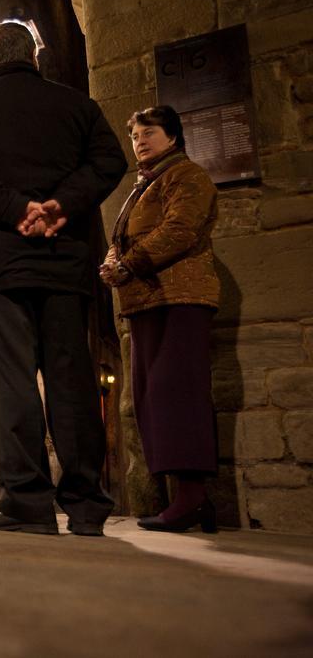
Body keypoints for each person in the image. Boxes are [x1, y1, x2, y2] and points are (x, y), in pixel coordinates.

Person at [0, 20, 127, 536]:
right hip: (64, 263)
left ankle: (27, 502)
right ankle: (86, 506)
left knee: (12, 382)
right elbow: (111, 161)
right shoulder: (78, 108)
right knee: (72, 382)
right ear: (34, 56)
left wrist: (14, 208)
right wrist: (60, 206)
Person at [100, 105, 219, 534]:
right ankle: (188, 502)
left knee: (177, 392)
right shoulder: (143, 185)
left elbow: (180, 229)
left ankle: (190, 500)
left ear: (172, 136)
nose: (140, 141)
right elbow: (125, 236)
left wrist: (129, 264)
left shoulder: (187, 176)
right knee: (153, 397)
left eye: (149, 132)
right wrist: (114, 260)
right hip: (146, 300)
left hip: (180, 296)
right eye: (135, 136)